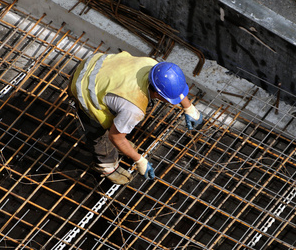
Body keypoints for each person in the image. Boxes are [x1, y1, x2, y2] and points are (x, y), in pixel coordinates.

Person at [69, 51, 203, 184]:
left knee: (120, 121)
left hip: (97, 65)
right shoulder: (133, 108)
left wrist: (188, 107)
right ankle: (107, 167)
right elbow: (115, 137)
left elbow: (171, 87)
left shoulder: (154, 68)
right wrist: (139, 160)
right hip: (82, 87)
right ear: (157, 94)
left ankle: (123, 145)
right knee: (100, 136)